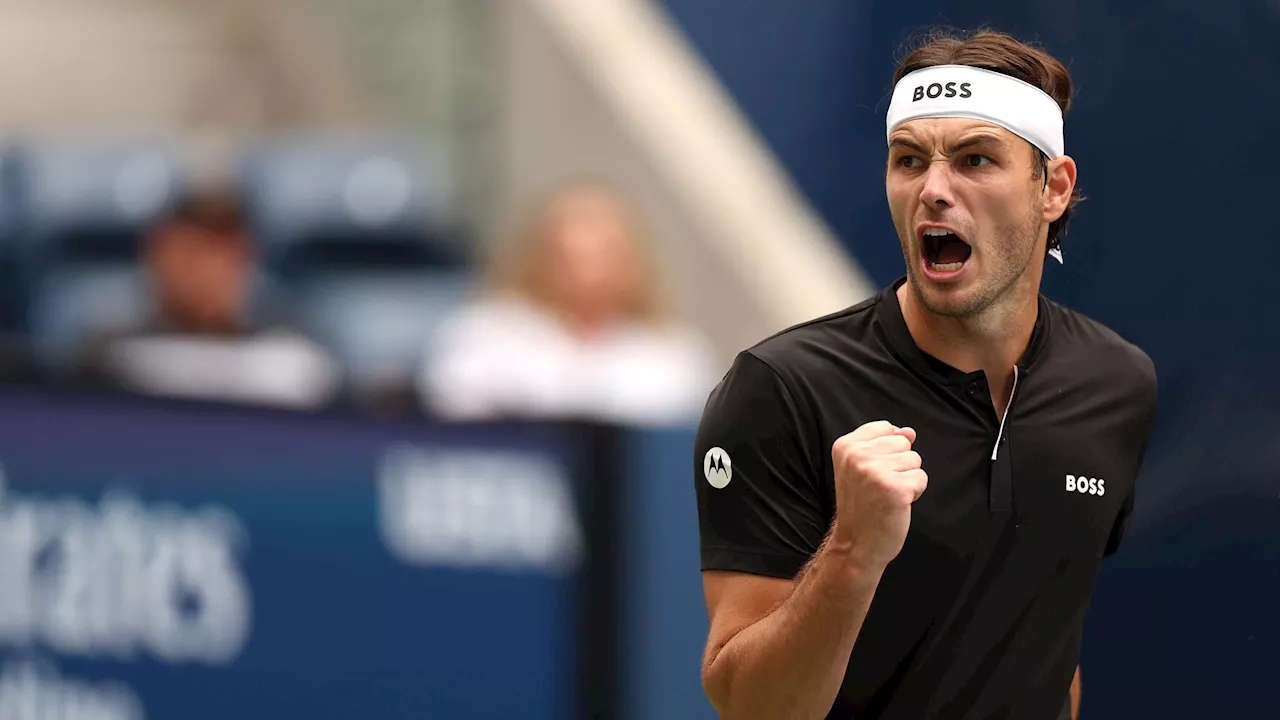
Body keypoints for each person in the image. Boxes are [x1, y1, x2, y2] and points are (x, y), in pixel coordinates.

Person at [693, 28, 1157, 720]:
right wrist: (852, 551)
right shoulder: (781, 389)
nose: (934, 190)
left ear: (1053, 188)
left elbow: (1050, 640)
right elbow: (749, 706)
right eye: (909, 160)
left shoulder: (1116, 385)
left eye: (975, 159)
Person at [420, 180, 717, 425]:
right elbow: (457, 430)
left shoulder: (675, 355)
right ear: (539, 255)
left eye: (604, 253)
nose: (587, 269)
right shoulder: (480, 336)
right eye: (571, 255)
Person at [75, 187, 340, 409]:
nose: (210, 271)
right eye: (194, 253)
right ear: (156, 255)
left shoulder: (293, 362)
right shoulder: (110, 364)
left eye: (226, 256)